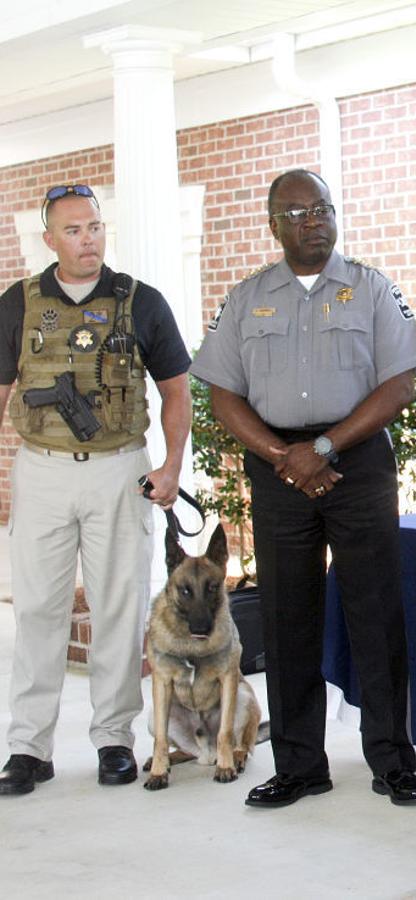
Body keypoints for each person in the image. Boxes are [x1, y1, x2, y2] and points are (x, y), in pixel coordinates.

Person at [190, 169, 416, 810]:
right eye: (296, 213)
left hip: (357, 461)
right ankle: (299, 766)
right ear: (273, 224)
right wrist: (284, 457)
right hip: (278, 469)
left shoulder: (372, 288)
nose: (312, 222)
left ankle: (393, 763)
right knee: (286, 618)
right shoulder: (246, 297)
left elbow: (401, 384)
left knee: (376, 615)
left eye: (321, 209)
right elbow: (222, 393)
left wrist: (322, 449)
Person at [0, 184, 191, 794]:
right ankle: (29, 748)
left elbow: (177, 389)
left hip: (118, 467)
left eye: (95, 227)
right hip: (43, 468)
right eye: (74, 230)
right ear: (50, 239)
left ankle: (114, 739)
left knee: (117, 605)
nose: (88, 240)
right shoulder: (19, 302)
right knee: (37, 609)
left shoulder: (141, 300)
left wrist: (171, 467)